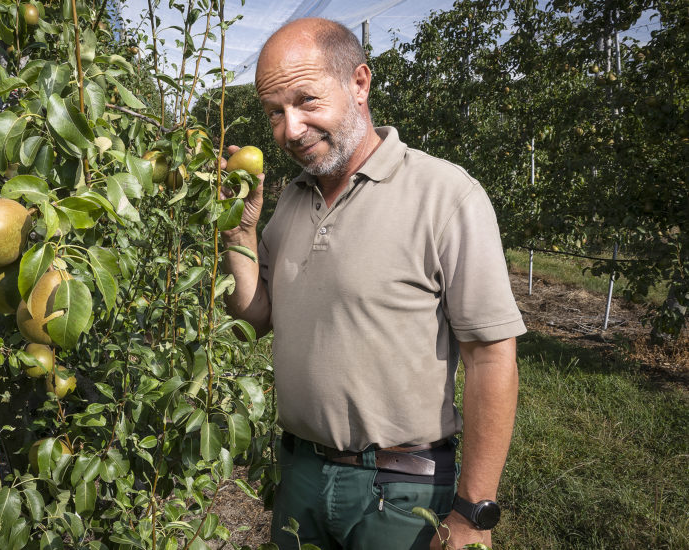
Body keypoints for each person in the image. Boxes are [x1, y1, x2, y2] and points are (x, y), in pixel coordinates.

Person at [219, 18, 526, 550]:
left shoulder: (445, 195)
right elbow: (256, 314)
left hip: (402, 490)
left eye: (307, 100)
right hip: (300, 474)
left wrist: (474, 512)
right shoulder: (290, 199)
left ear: (359, 84)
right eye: (275, 111)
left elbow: (491, 357)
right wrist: (240, 233)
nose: (289, 129)